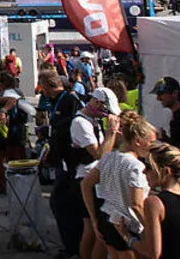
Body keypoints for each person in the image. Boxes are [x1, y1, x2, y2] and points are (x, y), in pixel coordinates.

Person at [80, 112, 157, 255]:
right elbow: (136, 204)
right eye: (151, 142)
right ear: (138, 141)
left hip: (106, 217)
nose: (153, 147)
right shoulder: (136, 167)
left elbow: (85, 184)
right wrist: (151, 229)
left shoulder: (108, 158)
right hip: (127, 224)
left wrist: (94, 218)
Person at [125, 143, 180, 258]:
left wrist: (128, 238)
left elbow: (154, 253)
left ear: (166, 172)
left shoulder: (154, 203)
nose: (144, 171)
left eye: (148, 167)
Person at [41, 69, 89, 259]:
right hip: (61, 162)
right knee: (62, 204)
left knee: (61, 203)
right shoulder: (55, 102)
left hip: (72, 164)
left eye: (43, 87)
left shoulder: (70, 101)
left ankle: (74, 247)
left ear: (48, 86)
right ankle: (72, 246)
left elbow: (70, 130)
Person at [71, 88, 121, 259]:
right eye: (105, 111)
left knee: (95, 229)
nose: (106, 116)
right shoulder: (80, 123)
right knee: (93, 229)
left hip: (96, 178)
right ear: (97, 103)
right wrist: (111, 132)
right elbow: (100, 154)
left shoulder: (93, 121)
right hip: (85, 179)